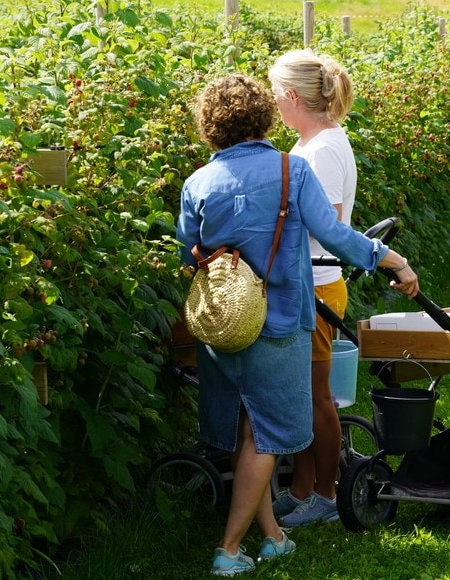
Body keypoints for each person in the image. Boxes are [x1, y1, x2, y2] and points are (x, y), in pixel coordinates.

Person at [177, 74, 419, 576]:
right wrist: (391, 259)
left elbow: (189, 255)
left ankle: (273, 536)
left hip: (222, 326)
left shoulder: (198, 182)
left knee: (249, 432)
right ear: (263, 115)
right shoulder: (292, 172)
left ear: (210, 125)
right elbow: (334, 235)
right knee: (267, 437)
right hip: (277, 322)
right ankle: (227, 549)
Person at [266, 49, 361, 529]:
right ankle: (303, 486)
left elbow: (327, 227)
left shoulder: (321, 150)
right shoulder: (313, 144)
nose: (272, 106)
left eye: (274, 95)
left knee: (316, 397)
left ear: (290, 96)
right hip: (306, 284)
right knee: (300, 394)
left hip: (317, 288)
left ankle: (326, 493)